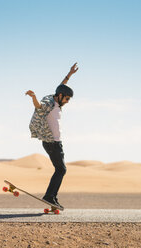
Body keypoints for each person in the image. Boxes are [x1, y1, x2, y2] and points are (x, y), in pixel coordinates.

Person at [25, 63, 79, 209]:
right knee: (61, 169)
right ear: (60, 96)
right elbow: (39, 107)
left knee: (60, 169)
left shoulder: (58, 101)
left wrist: (69, 74)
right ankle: (49, 196)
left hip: (55, 142)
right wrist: (34, 97)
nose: (67, 102)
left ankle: (52, 198)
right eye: (67, 99)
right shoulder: (49, 102)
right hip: (51, 142)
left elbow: (60, 86)